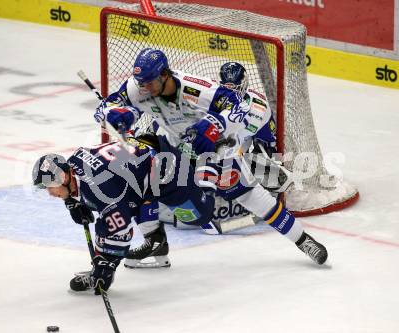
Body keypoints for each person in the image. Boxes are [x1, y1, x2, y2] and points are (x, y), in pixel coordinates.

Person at [94, 49, 328, 266]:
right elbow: (105, 106)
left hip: (219, 150)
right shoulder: (137, 87)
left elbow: (238, 105)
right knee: (140, 171)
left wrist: (214, 124)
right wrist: (114, 114)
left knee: (253, 198)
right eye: (141, 83)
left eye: (149, 82)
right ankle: (156, 242)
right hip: (176, 150)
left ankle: (302, 240)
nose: (144, 88)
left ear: (165, 74)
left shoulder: (198, 89)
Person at [32, 134, 218, 293]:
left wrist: (106, 264)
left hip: (170, 172)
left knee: (199, 216)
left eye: (49, 186)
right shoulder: (72, 163)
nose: (49, 192)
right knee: (133, 198)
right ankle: (156, 241)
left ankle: (209, 171)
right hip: (144, 167)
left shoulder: (100, 189)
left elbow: (121, 230)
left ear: (63, 177)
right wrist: (72, 201)